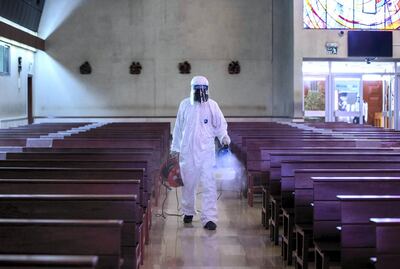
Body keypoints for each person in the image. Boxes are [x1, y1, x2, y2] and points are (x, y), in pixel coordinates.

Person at [170, 75, 230, 230]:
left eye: (203, 89)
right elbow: (177, 129)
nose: (200, 93)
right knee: (188, 184)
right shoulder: (184, 105)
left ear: (207, 90)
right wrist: (174, 149)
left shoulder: (212, 106)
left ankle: (209, 217)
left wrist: (224, 137)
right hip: (187, 152)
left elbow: (220, 125)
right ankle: (188, 211)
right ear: (192, 89)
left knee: (209, 185)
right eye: (197, 89)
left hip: (206, 153)